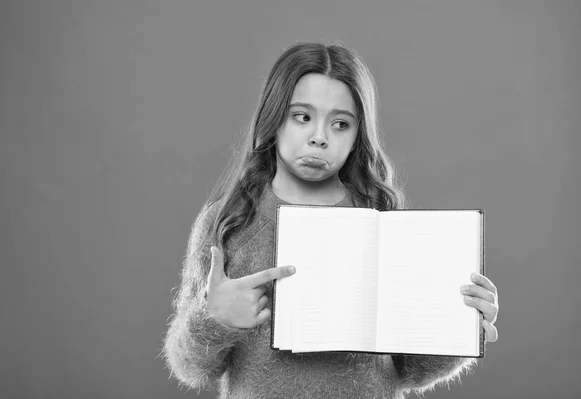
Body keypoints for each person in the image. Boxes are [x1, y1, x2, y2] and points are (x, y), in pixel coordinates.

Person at [162, 42, 499, 399]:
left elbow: (409, 370)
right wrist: (213, 319)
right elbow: (188, 365)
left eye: (340, 124)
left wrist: (460, 328)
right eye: (302, 117)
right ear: (273, 119)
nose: (319, 137)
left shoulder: (381, 221)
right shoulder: (228, 222)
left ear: (357, 136)